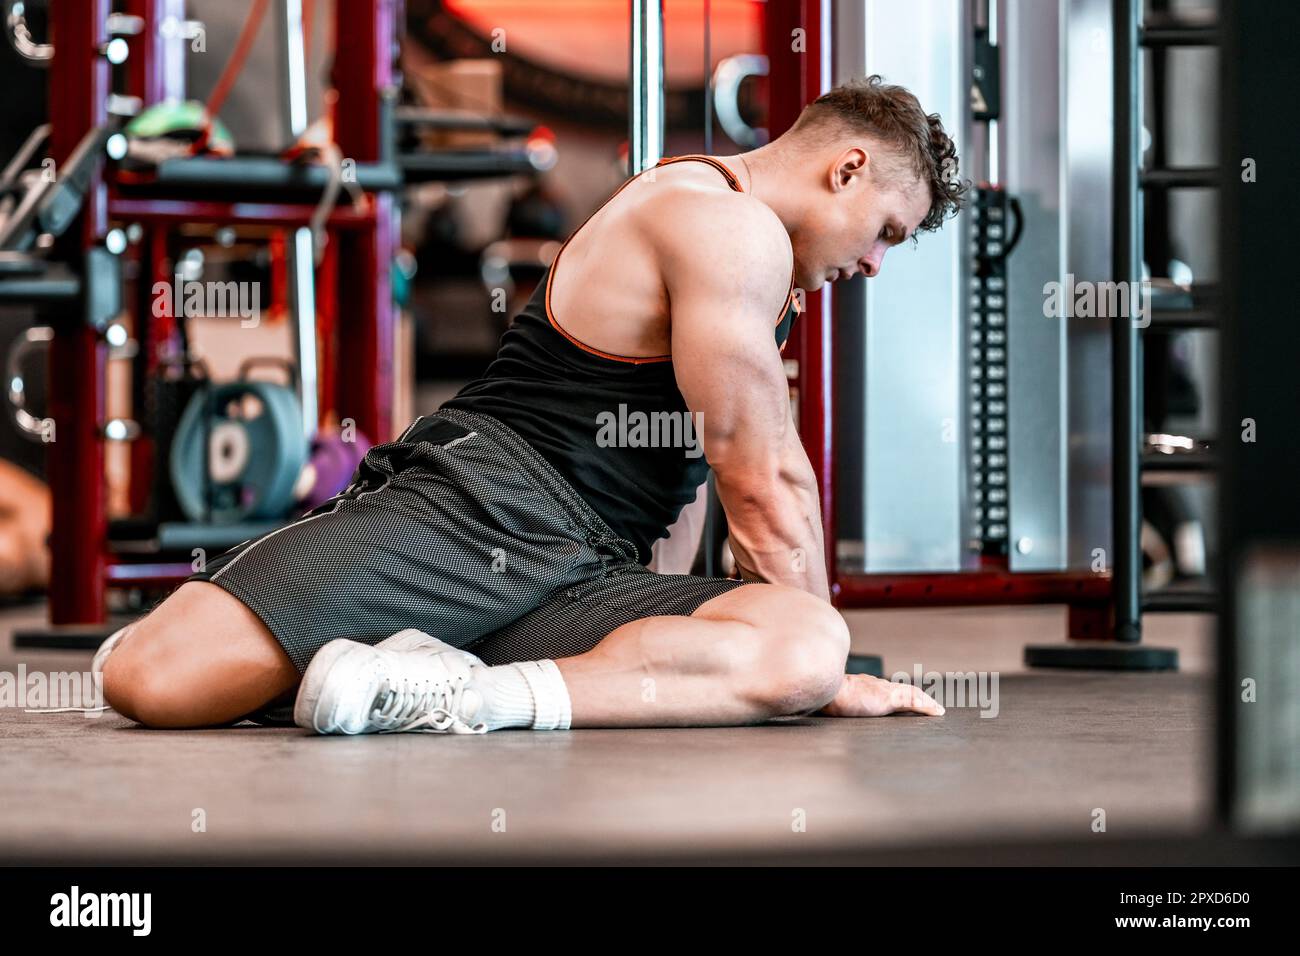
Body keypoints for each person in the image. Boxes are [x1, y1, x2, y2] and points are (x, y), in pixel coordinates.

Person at [101, 76, 967, 734]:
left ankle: (459, 692)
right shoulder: (726, 227)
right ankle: (311, 620)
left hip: (585, 566)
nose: (875, 265)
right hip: (483, 510)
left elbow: (686, 471)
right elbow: (764, 474)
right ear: (846, 168)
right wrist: (834, 679)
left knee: (798, 645)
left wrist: (802, 659)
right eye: (886, 232)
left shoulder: (749, 254)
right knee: (153, 679)